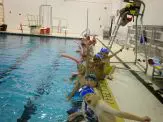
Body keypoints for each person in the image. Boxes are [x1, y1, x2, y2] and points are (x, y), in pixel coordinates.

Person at [79, 86, 151, 122]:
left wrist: (141, 119)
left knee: (101, 115)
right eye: (84, 97)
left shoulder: (101, 105)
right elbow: (96, 93)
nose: (86, 98)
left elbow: (120, 114)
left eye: (88, 95)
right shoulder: (90, 104)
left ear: (94, 95)